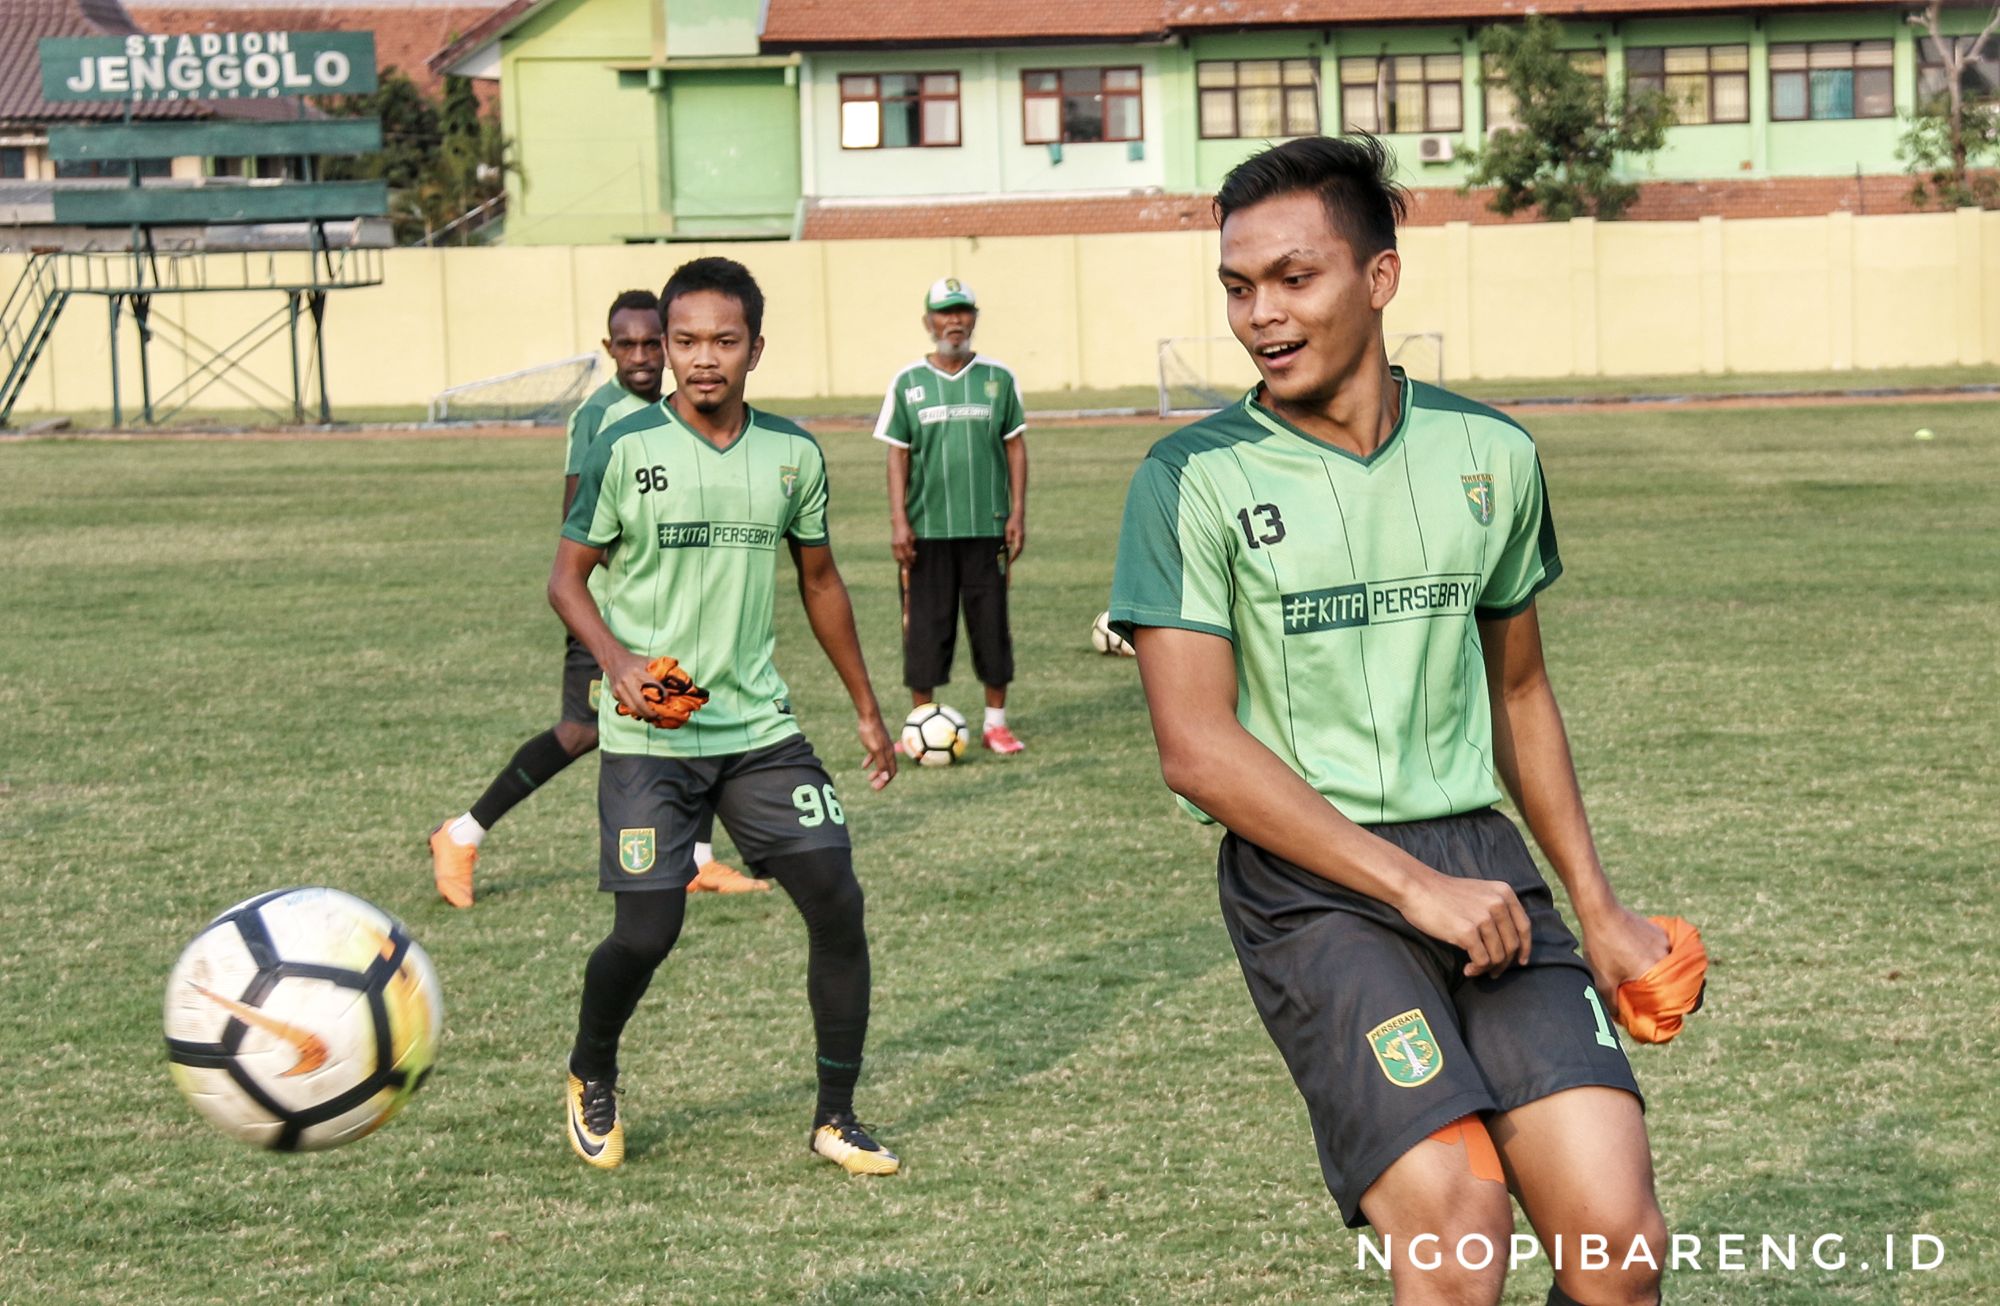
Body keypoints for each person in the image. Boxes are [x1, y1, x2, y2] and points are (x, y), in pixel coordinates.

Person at [1107, 136, 1670, 1306]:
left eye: (1293, 277)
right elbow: (1196, 746)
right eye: (1235, 285)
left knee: (1618, 1248)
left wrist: (1600, 909)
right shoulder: (1188, 478)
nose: (1258, 313)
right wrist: (1408, 890)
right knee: (1459, 1228)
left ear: (1378, 278)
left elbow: (1517, 691)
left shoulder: (1489, 455)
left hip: (1480, 863)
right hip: (1309, 884)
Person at [549, 256, 901, 1175]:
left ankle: (837, 1116)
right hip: (650, 738)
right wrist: (618, 664)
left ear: (755, 349)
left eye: (725, 341)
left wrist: (867, 708)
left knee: (838, 900)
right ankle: (591, 1070)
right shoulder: (624, 450)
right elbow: (566, 578)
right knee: (647, 932)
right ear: (663, 348)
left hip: (758, 734)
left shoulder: (793, 455)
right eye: (687, 341)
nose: (705, 359)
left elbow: (820, 581)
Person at [428, 290, 763, 906]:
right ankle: (461, 834)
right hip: (611, 611)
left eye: (650, 342)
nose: (639, 356)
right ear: (610, 348)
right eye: (626, 344)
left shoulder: (678, 412)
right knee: (583, 731)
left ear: (667, 344)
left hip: (671, 611)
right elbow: (577, 520)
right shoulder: (600, 416)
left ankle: (697, 859)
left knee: (689, 708)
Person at [872, 277, 1029, 754]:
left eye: (962, 313)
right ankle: (921, 720)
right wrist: (900, 521)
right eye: (945, 313)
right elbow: (897, 456)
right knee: (925, 628)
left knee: (990, 626)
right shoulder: (907, 383)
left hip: (987, 526)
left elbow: (1015, 447)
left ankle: (996, 724)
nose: (954, 322)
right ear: (929, 322)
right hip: (927, 530)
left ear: (974, 319)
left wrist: (1017, 512)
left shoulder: (998, 379)